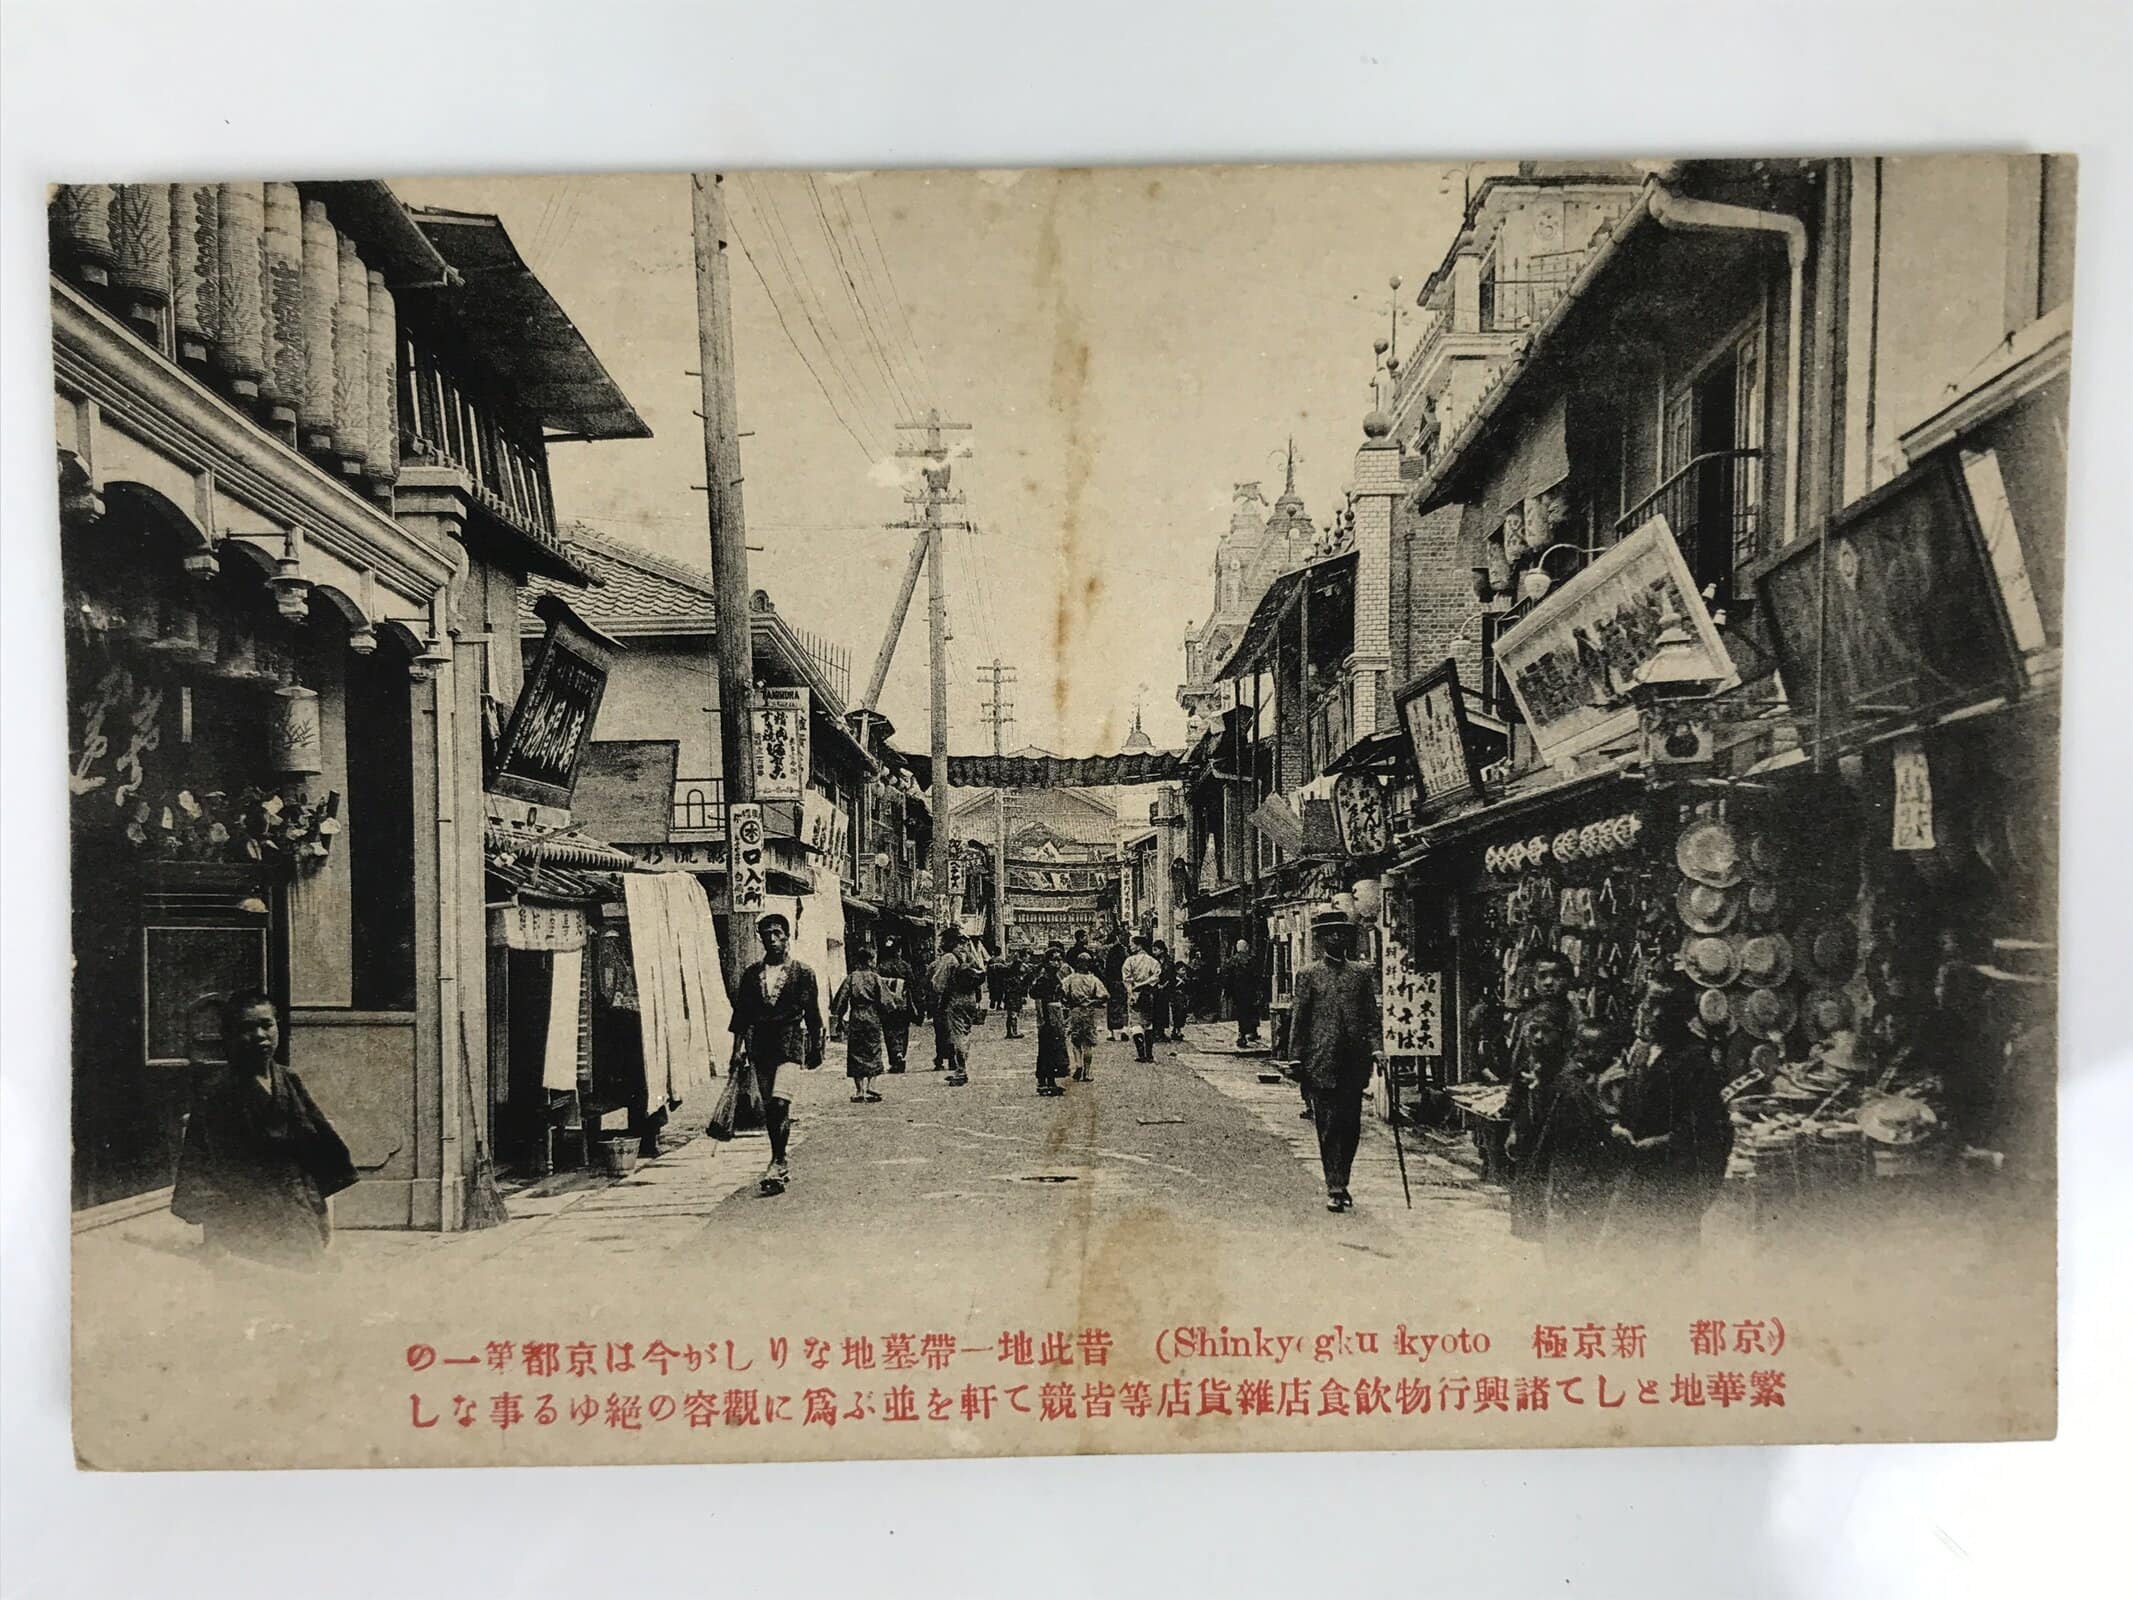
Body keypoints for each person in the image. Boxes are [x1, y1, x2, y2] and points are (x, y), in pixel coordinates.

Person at [171, 987, 355, 1269]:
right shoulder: (217, 1092)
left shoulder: (289, 1080)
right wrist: (215, 1238)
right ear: (229, 1035)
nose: (259, 1035)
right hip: (247, 1220)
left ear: (277, 1027)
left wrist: (321, 1214)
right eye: (246, 1028)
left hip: (298, 1213)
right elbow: (201, 1169)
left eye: (266, 1024)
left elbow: (319, 1149)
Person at [1603, 976, 1734, 1256]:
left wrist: (1665, 1142)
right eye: (1652, 1005)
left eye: (1670, 1008)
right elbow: (1628, 1105)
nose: (1658, 1014)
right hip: (1634, 1179)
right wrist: (1617, 1127)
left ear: (1686, 1016)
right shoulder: (1641, 1051)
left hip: (1673, 1181)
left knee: (1669, 1260)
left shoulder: (1696, 1060)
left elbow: (1709, 1131)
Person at [727, 912, 826, 1195]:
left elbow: (813, 1014)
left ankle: (777, 1162)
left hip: (790, 1044)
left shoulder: (802, 973)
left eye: (777, 933)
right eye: (766, 934)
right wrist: (737, 1051)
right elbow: (742, 1016)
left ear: (787, 937)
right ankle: (779, 1156)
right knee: (771, 1107)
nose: (772, 939)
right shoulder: (751, 975)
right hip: (761, 1046)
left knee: (781, 1103)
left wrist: (816, 1046)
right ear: (760, 938)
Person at [1289, 912, 1380, 1213]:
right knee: (1328, 1126)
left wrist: (1377, 1049)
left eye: (1342, 934)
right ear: (1321, 939)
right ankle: (1335, 1186)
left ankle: (1344, 1180)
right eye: (1331, 934)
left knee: (1351, 1126)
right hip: (1321, 1061)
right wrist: (1295, 1056)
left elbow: (1372, 1018)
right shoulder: (1309, 974)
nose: (1337, 939)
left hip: (1355, 1062)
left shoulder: (1361, 974)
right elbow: (1299, 1019)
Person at [1535, 1020, 1629, 1261]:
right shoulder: (1569, 1080)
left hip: (1603, 1173)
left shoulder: (1619, 1080)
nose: (1587, 1054)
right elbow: (1554, 1125)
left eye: (1596, 1048)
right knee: (1564, 1239)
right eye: (1582, 1047)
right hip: (1568, 1170)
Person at [1502, 993, 1574, 1242]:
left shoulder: (1568, 1069)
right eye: (1533, 1031)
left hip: (1557, 1144)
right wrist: (1513, 1129)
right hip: (1529, 1139)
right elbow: (1516, 1097)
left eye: (1547, 1031)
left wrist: (1543, 1087)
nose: (1539, 1038)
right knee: (1528, 1196)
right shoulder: (1527, 1063)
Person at [830, 942, 895, 1104]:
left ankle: (859, 1090)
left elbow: (840, 1001)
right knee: (873, 1049)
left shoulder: (851, 978)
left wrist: (839, 1018)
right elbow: (887, 1003)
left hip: (856, 1016)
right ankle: (871, 1086)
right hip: (872, 1016)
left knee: (856, 1052)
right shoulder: (875, 978)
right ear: (871, 960)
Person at [928, 926, 985, 1087]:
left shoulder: (949, 958)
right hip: (971, 998)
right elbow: (980, 974)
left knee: (958, 1033)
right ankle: (962, 1066)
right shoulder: (969, 956)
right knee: (966, 1032)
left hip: (956, 998)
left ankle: (961, 1070)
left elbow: (938, 983)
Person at [1060, 952, 1110, 1083]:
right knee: (1088, 1043)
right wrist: (1092, 1001)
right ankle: (1087, 1072)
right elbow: (1105, 996)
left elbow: (1061, 992)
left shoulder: (1070, 979)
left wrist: (1068, 1002)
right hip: (1089, 1012)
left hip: (1075, 1011)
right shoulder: (1094, 980)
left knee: (1075, 1041)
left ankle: (1078, 1065)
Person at [1030, 943, 1071, 1097]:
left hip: (1055, 1016)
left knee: (1052, 1049)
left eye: (1060, 960)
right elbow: (1037, 997)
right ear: (1047, 962)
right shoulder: (1045, 979)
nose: (1057, 963)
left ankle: (1048, 1080)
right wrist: (1044, 1020)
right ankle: (1045, 1081)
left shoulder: (1054, 977)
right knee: (1047, 1049)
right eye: (1054, 960)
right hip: (1048, 1018)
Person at [876, 936, 916, 1074]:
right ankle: (900, 1054)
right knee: (902, 1031)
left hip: (887, 1005)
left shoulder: (881, 967)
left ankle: (894, 1058)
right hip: (902, 1004)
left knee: (889, 1032)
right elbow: (912, 984)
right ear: (899, 950)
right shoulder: (905, 966)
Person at [1121, 935, 1164, 1062]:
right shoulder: (1152, 961)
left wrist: (1131, 991)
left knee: (1135, 1022)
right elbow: (1156, 977)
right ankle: (1149, 1054)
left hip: (1135, 992)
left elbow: (1126, 979)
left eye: (1132, 944)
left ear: (1139, 945)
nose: (1130, 946)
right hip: (1148, 993)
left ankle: (1141, 1054)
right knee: (1148, 1023)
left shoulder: (1129, 961)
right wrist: (1146, 983)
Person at [1222, 939, 1264, 1048]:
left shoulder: (1232, 961)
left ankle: (1242, 1034)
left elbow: (1227, 978)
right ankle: (1252, 1031)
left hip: (1238, 993)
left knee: (1241, 1013)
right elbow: (1258, 977)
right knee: (1252, 1011)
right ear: (1246, 948)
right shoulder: (1252, 960)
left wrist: (1228, 992)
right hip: (1251, 992)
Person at [1103, 931, 1131, 1041]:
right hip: (1122, 982)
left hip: (1111, 982)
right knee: (1123, 1006)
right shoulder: (1125, 952)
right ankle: (1124, 1029)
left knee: (1111, 1007)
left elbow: (1106, 969)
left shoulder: (1110, 952)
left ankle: (1111, 1033)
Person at [1001, 950, 1031, 1040]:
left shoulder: (1014, 965)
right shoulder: (1019, 965)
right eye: (1027, 956)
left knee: (1011, 1013)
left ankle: (1010, 1032)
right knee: (1013, 1013)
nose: (1028, 958)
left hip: (1011, 992)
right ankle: (1013, 1032)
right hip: (1014, 992)